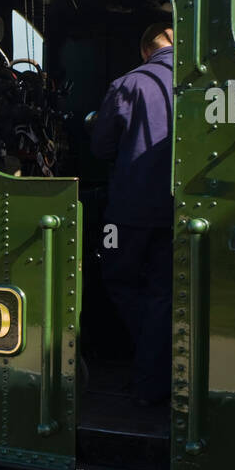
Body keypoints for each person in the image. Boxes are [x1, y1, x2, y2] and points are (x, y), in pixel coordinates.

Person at [88, 23, 174, 406]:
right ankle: (157, 370)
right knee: (163, 292)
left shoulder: (130, 83)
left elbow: (101, 147)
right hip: (177, 211)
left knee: (116, 278)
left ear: (145, 51)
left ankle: (148, 367)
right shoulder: (194, 84)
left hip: (127, 211)